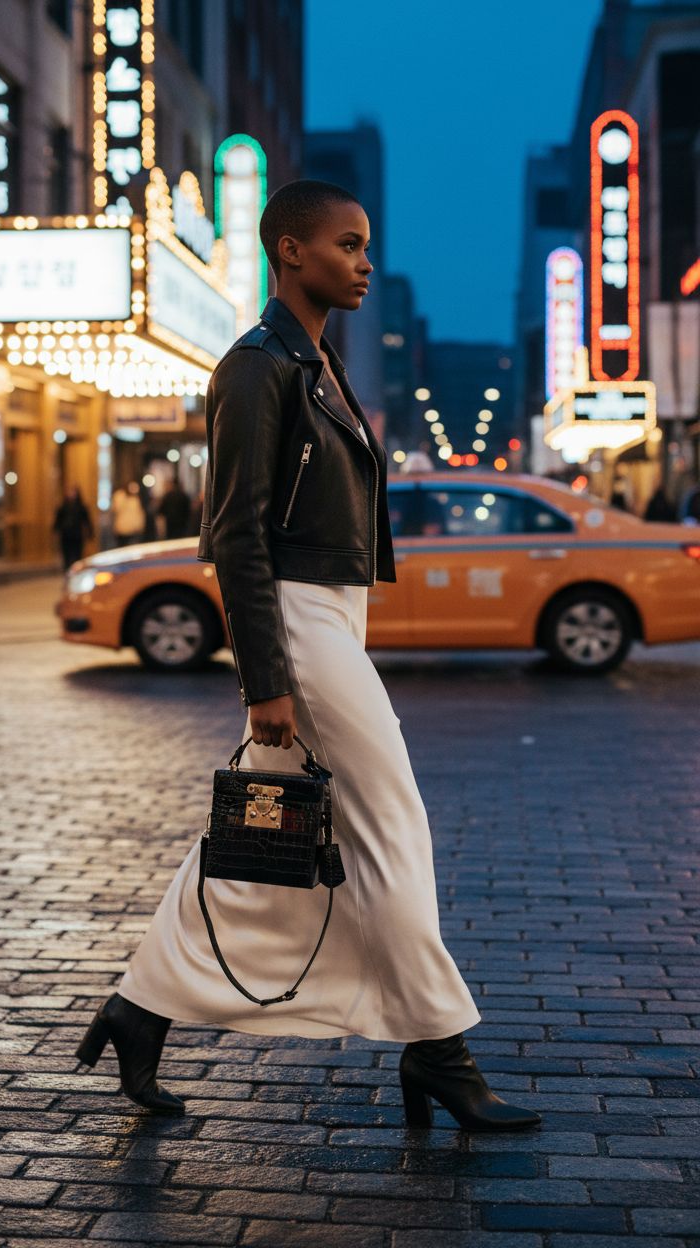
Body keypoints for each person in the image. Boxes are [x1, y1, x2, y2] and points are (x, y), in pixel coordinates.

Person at [76, 181, 540, 1133]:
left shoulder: (316, 362)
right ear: (291, 251)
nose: (365, 261)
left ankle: (140, 1008)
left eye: (367, 246)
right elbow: (236, 535)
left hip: (333, 613)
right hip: (295, 620)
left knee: (266, 835)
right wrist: (266, 680)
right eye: (348, 244)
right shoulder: (257, 367)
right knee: (391, 822)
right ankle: (439, 1052)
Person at [53, 485, 92, 570]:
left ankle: (76, 570)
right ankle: (67, 569)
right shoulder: (63, 506)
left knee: (77, 554)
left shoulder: (81, 507)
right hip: (66, 534)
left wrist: (90, 533)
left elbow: (87, 520)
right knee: (66, 553)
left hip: (77, 534)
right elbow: (58, 520)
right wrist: (56, 529)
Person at [111, 480, 146, 546]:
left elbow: (139, 513)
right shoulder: (119, 496)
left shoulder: (135, 499)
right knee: (122, 546)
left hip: (133, 528)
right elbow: (116, 510)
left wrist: (140, 526)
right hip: (122, 528)